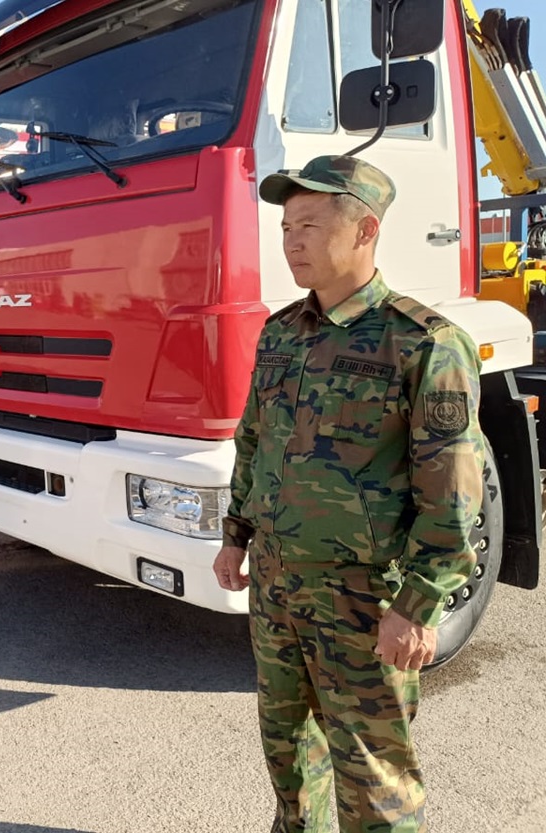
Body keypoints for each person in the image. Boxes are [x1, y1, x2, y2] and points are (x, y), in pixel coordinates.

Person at [212, 155, 484, 833]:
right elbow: (255, 441)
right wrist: (235, 535)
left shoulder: (422, 343)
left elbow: (452, 487)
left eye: (308, 223)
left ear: (365, 230)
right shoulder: (280, 334)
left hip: (364, 599)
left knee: (371, 771)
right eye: (284, 226)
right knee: (286, 749)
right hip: (277, 587)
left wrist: (419, 603)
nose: (291, 239)